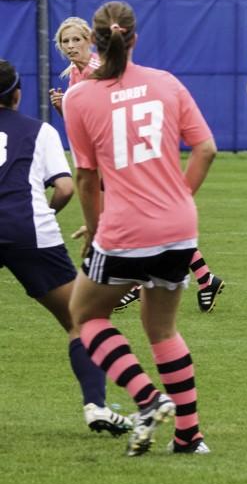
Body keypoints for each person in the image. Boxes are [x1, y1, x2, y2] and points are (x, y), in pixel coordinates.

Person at [65, 1, 217, 455]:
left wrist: (93, 229)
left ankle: (148, 398)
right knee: (163, 330)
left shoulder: (79, 96)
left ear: (95, 41)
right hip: (178, 227)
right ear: (134, 38)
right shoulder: (166, 83)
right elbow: (206, 149)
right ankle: (190, 437)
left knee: (86, 317)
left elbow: (87, 178)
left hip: (124, 227)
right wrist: (179, 199)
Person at [49, 16, 227, 314]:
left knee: (137, 222)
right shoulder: (74, 76)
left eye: (76, 39)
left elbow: (110, 121)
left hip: (121, 162)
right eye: (65, 41)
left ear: (90, 41)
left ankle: (133, 283)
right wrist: (63, 109)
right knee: (151, 224)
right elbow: (90, 129)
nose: (70, 46)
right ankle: (204, 277)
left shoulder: (97, 72)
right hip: (110, 160)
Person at [0, 58, 132, 436]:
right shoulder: (39, 131)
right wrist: (48, 213)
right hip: (29, 232)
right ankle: (97, 406)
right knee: (82, 321)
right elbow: (65, 187)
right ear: (18, 95)